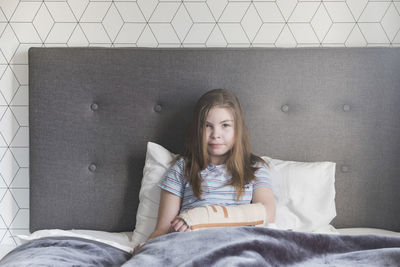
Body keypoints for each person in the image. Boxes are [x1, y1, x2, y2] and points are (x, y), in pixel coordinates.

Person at [133, 89, 276, 254]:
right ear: (197, 130)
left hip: (237, 246)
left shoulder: (253, 168)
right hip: (191, 245)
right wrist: (148, 246)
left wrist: (199, 218)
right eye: (208, 126)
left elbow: (266, 213)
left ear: (238, 130)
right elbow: (163, 229)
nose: (216, 135)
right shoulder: (182, 168)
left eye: (225, 125)